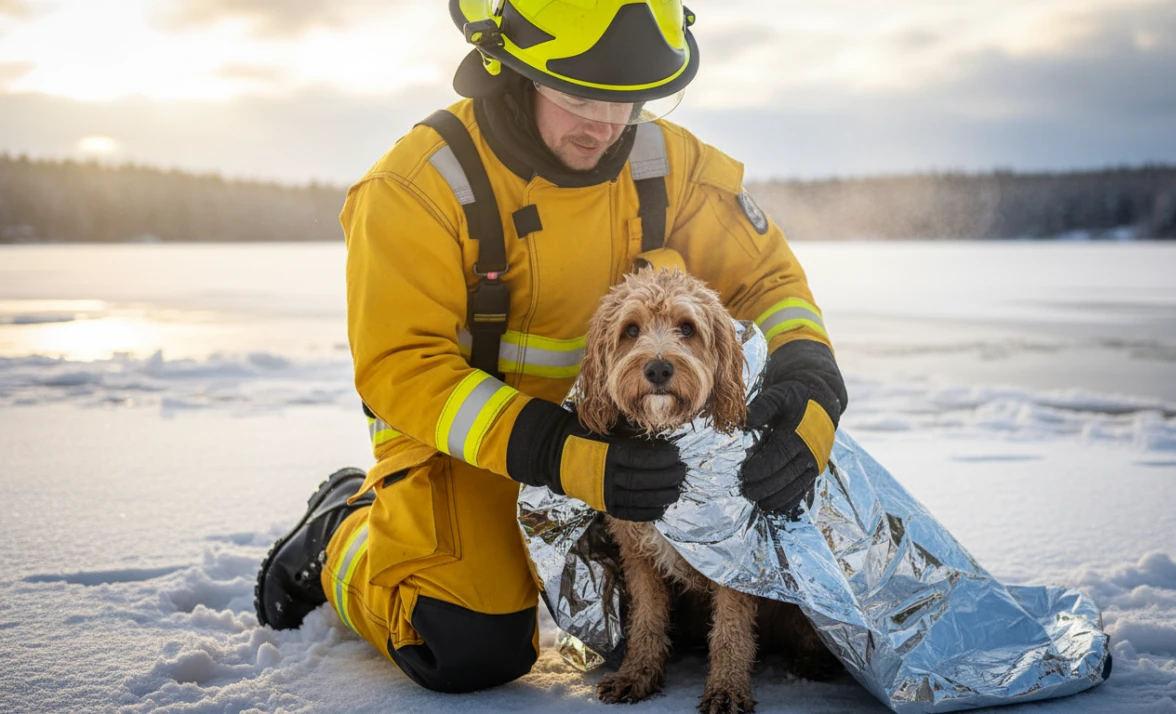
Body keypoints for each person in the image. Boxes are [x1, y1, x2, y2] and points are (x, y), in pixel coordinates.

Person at [255, 0, 847, 694]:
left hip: (633, 447)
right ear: (513, 70)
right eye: (576, 96)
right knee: (468, 645)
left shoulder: (672, 165)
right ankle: (343, 534)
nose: (606, 123)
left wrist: (811, 382)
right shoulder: (418, 187)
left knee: (695, 606)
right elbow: (402, 366)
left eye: (628, 99)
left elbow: (769, 281)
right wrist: (561, 454)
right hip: (472, 447)